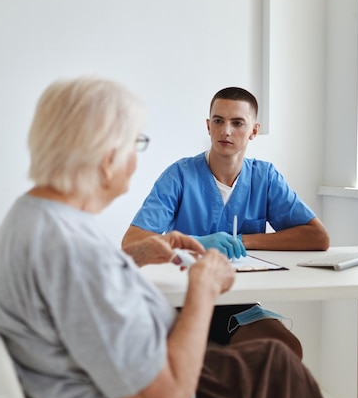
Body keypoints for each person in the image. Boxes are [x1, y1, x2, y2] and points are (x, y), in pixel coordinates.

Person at [0, 76, 327, 398]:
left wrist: (131, 258)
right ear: (108, 158)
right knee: (277, 365)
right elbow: (166, 396)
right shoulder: (68, 247)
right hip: (146, 386)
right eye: (136, 143)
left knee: (275, 354)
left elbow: (84, 290)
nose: (135, 161)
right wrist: (203, 289)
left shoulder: (34, 217)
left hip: (124, 371)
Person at [122, 86, 330, 356]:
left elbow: (317, 237)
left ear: (254, 130)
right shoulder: (179, 175)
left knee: (284, 351)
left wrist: (243, 241)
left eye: (237, 123)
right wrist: (194, 243)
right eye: (218, 121)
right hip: (179, 299)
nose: (226, 131)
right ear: (208, 126)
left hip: (236, 303)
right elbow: (132, 241)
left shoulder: (265, 177)